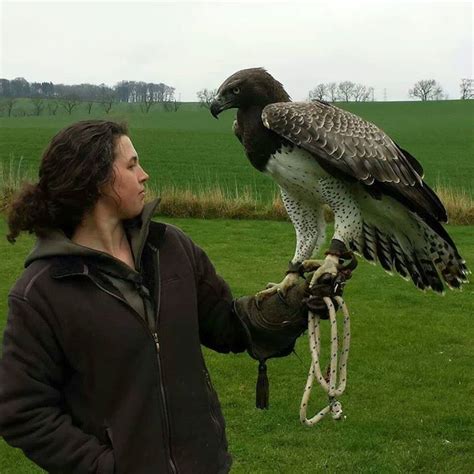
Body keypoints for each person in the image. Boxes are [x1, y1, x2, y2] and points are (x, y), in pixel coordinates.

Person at [0, 120, 329, 474]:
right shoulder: (42, 291)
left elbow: (229, 325)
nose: (144, 175)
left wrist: (293, 303)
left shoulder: (170, 247)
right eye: (131, 165)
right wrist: (104, 467)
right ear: (94, 179)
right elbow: (22, 408)